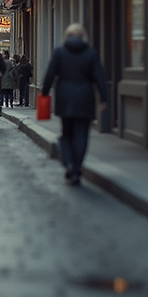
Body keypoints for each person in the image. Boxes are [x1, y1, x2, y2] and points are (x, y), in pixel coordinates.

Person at [41, 23, 109, 186]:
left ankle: (69, 164)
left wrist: (44, 92)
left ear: (68, 36)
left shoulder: (60, 52)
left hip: (65, 97)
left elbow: (50, 74)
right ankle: (77, 169)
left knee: (66, 134)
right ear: (82, 37)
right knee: (82, 135)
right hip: (85, 97)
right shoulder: (91, 54)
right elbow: (99, 77)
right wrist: (103, 98)